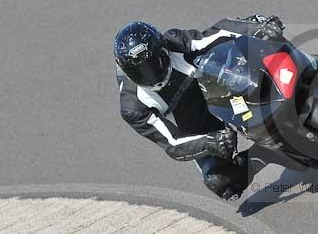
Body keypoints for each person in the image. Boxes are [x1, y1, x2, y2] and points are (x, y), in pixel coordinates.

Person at [114, 15, 286, 200]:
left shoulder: (176, 43)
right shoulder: (134, 107)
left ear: (163, 48)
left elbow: (216, 34)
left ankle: (302, 72)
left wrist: (256, 28)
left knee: (266, 40)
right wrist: (210, 142)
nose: (151, 75)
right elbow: (172, 142)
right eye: (139, 71)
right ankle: (268, 153)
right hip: (199, 127)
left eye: (154, 63)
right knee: (222, 182)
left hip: (221, 92)